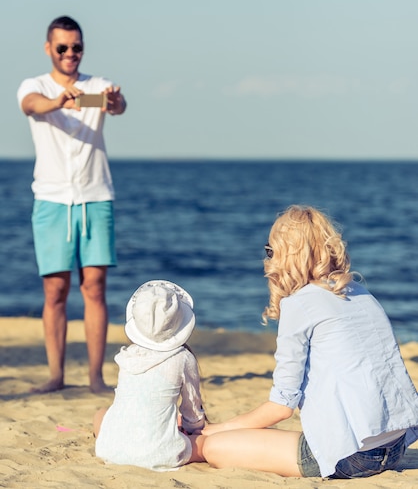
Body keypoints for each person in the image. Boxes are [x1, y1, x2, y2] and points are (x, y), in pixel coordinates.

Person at [202, 205, 418, 479]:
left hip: (354, 457)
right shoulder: (360, 293)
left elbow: (281, 407)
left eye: (270, 251)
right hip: (396, 444)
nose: (267, 259)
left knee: (214, 447)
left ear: (284, 255)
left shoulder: (299, 304)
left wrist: (219, 428)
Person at [17, 15, 127, 394]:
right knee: (55, 290)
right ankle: (56, 376)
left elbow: (118, 106)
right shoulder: (35, 85)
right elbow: (31, 105)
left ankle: (96, 377)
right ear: (49, 48)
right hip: (51, 199)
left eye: (76, 47)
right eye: (62, 47)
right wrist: (57, 100)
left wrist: (113, 101)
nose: (70, 54)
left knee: (94, 287)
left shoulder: (96, 85)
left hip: (96, 196)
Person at [94, 280, 206, 471]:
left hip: (108, 450)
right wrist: (193, 430)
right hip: (158, 454)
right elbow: (191, 412)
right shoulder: (183, 358)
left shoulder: (127, 355)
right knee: (203, 444)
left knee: (101, 413)